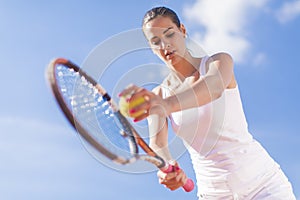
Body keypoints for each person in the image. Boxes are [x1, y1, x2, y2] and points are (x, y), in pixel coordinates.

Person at [119, 6, 296, 199]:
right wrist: (168, 167)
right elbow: (158, 144)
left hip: (263, 184)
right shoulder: (159, 94)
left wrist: (166, 105)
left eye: (169, 34)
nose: (164, 45)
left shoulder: (218, 62)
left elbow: (213, 88)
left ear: (183, 31)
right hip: (213, 194)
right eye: (156, 42)